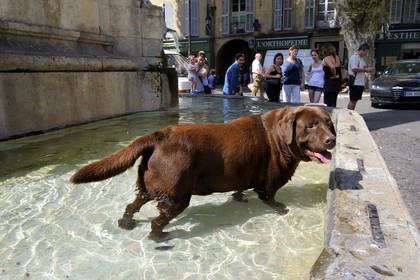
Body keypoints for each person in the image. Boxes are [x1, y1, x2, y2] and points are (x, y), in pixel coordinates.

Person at [347, 43, 374, 110]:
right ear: (362, 50)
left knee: (355, 99)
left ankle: (352, 113)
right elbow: (354, 69)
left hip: (360, 82)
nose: (366, 54)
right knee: (353, 99)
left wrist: (368, 68)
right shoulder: (354, 58)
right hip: (355, 82)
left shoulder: (360, 58)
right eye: (366, 52)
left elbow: (362, 67)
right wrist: (366, 69)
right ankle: (349, 113)